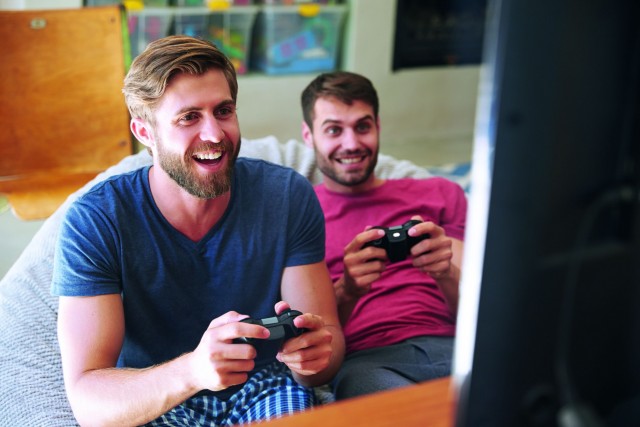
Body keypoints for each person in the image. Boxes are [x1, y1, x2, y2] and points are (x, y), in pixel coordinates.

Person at [51, 35, 344, 427]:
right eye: (189, 117)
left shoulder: (287, 196)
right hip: (155, 395)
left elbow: (327, 347)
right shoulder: (96, 221)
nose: (215, 134)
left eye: (223, 111)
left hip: (265, 387)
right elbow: (88, 401)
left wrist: (312, 361)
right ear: (144, 132)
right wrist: (193, 371)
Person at [300, 71, 466, 400]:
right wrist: (348, 289)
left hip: (456, 348)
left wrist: (444, 271)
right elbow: (314, 341)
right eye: (334, 130)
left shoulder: (440, 193)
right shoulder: (298, 213)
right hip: (372, 362)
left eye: (362, 126)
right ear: (308, 136)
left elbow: (480, 312)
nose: (352, 144)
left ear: (378, 126)